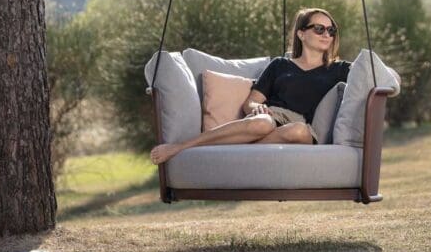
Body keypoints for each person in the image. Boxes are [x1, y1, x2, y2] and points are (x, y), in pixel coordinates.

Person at [150, 8, 351, 165]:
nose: (327, 34)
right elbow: (251, 102)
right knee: (261, 123)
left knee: (298, 131)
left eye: (331, 30)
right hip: (272, 117)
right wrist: (257, 108)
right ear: (301, 33)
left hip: (302, 126)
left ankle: (226, 152)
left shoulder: (339, 69)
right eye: (319, 29)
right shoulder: (280, 65)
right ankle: (182, 147)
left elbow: (376, 74)